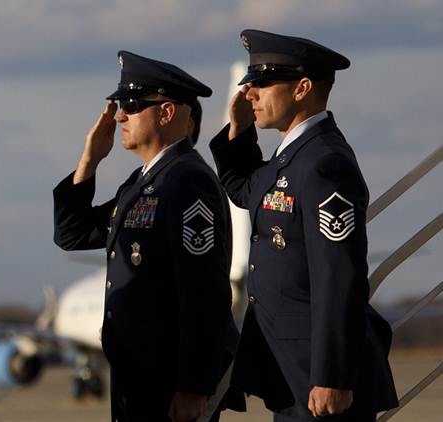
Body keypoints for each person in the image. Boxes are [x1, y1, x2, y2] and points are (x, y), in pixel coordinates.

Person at [209, 29, 399, 421]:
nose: (250, 93)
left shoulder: (325, 163)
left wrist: (333, 376)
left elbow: (338, 276)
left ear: (302, 88)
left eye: (262, 83)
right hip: (291, 372)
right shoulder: (291, 157)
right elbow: (244, 190)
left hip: (318, 378)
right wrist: (239, 130)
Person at [53, 51, 243, 422]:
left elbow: (203, 290)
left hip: (169, 382)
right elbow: (72, 234)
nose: (119, 117)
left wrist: (192, 386)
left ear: (166, 112)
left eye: (131, 105)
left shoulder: (188, 180)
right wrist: (89, 162)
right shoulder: (142, 183)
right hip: (139, 376)